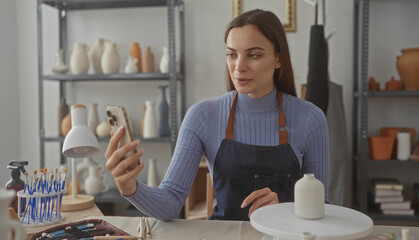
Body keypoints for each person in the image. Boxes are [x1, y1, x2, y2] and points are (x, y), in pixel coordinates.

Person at [105, 9, 329, 221]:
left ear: (278, 59)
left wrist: (284, 212)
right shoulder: (202, 116)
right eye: (232, 54)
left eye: (254, 55)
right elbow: (171, 203)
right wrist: (130, 187)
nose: (239, 67)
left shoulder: (311, 119)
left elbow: (322, 208)